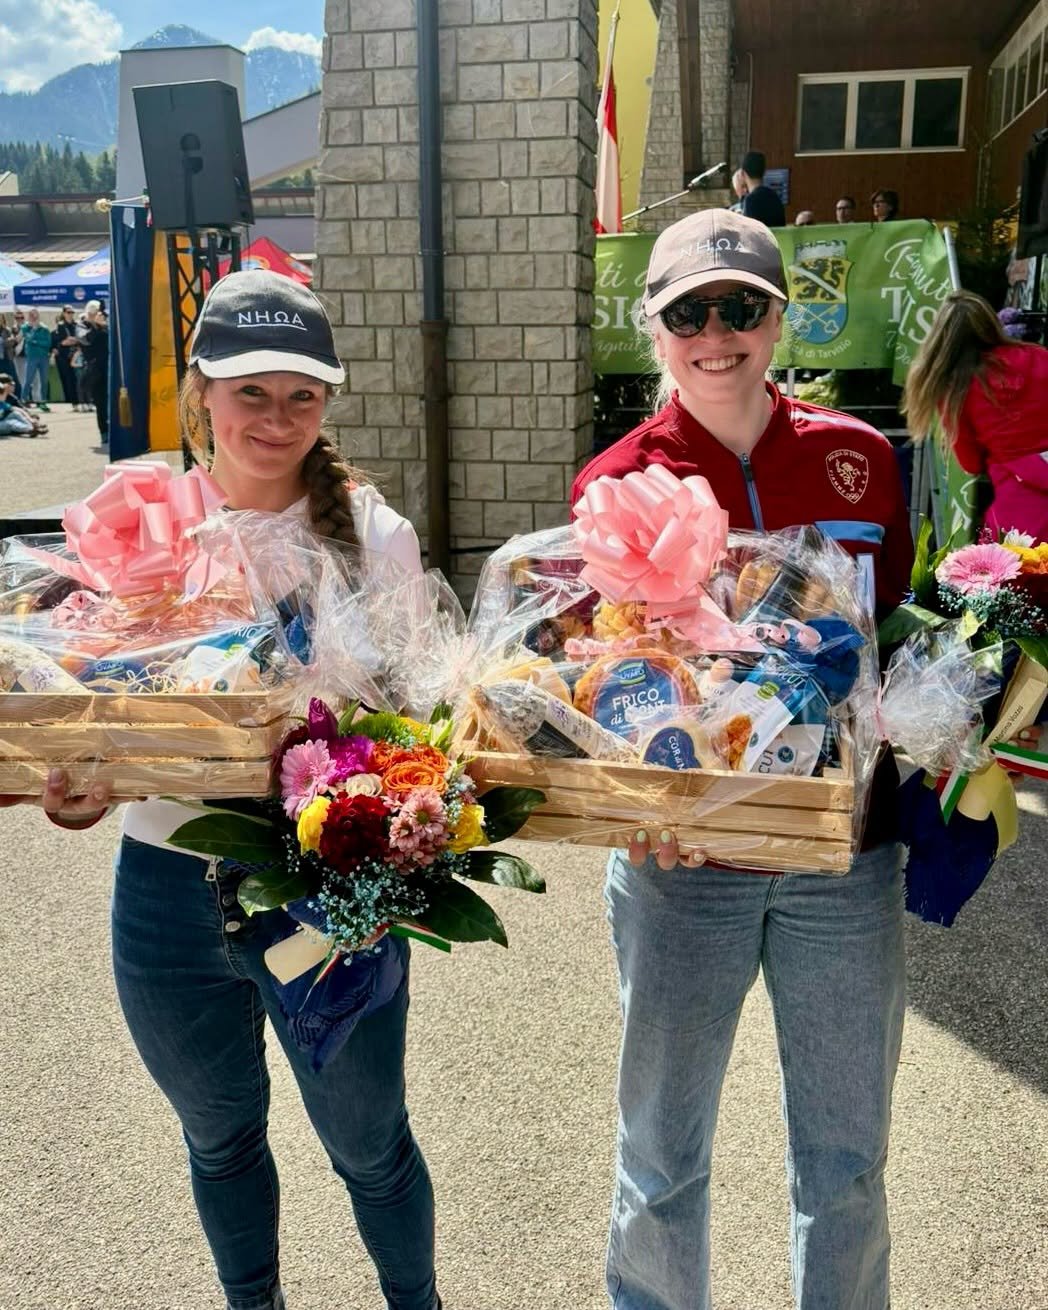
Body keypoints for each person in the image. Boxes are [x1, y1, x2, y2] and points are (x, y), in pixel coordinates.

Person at [7, 271, 442, 1310]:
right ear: (198, 391)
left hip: (321, 887)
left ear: (329, 403)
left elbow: (425, 725)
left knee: (369, 1143)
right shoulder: (144, 527)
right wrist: (78, 788)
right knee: (218, 1138)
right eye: (250, 390)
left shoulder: (375, 539)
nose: (276, 417)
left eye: (301, 394)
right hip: (163, 890)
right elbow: (98, 706)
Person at [570, 209, 914, 1310]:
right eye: (687, 312)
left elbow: (894, 638)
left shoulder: (858, 457)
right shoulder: (615, 479)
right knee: (661, 1158)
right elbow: (590, 678)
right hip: (685, 870)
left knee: (846, 1156)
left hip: (839, 862)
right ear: (655, 329)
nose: (715, 333)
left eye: (741, 307)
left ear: (779, 315)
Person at [903, 289, 1048, 540]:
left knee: (1010, 573)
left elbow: (970, 462)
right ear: (990, 322)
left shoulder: (955, 389)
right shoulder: (1038, 355)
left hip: (1019, 500)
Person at [80, 304, 109, 442]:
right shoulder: (82, 326)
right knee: (101, 402)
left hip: (109, 369)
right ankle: (104, 432)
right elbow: (86, 340)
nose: (95, 315)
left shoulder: (105, 326)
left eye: (97, 313)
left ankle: (115, 432)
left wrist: (103, 326)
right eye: (92, 313)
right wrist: (96, 327)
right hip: (95, 371)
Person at [739, 150, 786, 228]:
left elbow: (749, 233)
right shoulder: (775, 197)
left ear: (743, 173)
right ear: (764, 172)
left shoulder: (750, 201)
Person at [19, 307, 52, 410]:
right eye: (31, 315)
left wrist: (36, 342)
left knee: (44, 380)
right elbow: (28, 339)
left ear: (38, 316)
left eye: (35, 315)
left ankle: (43, 401)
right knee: (28, 379)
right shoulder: (25, 327)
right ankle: (23, 400)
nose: (33, 317)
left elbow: (47, 344)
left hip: (43, 357)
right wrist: (33, 329)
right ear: (28, 316)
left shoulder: (45, 328)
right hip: (32, 357)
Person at [51, 304, 80, 406]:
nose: (70, 314)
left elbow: (79, 339)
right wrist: (69, 341)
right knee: (66, 378)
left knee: (76, 379)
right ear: (64, 313)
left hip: (75, 356)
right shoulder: (61, 325)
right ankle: (70, 400)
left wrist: (71, 341)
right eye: (68, 312)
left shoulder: (76, 325)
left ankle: (78, 400)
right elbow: (61, 342)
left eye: (72, 312)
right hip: (63, 356)